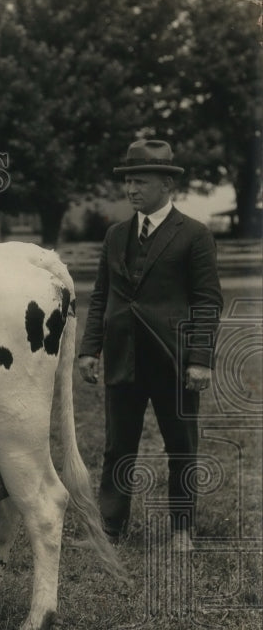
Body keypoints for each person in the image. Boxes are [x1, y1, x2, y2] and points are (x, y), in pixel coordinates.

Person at [78, 139, 223, 552]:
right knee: (116, 446)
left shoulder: (193, 235)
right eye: (128, 181)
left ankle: (181, 529)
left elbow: (208, 301)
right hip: (124, 359)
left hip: (174, 362)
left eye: (140, 181)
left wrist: (199, 359)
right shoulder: (115, 235)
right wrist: (91, 349)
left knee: (181, 446)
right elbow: (102, 296)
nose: (131, 189)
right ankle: (110, 528)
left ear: (165, 184)